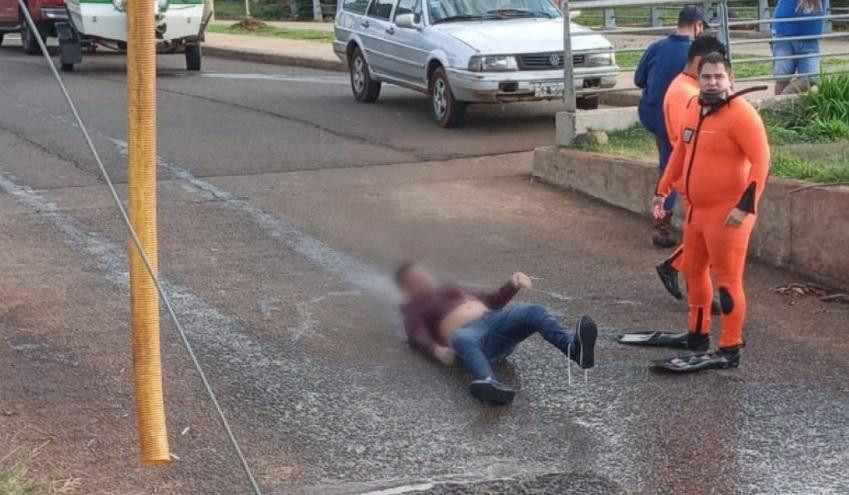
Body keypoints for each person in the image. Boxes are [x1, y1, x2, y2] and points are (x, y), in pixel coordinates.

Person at [621, 52, 770, 372]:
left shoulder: (742, 115)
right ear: (697, 79)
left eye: (719, 77)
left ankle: (729, 347)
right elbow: (679, 154)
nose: (713, 82)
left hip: (728, 214)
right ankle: (697, 334)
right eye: (707, 77)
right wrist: (662, 190)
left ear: (730, 79)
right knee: (693, 271)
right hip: (696, 211)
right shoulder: (693, 109)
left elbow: (761, 162)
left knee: (728, 282)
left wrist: (746, 206)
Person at [396, 262, 597, 404]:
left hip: (494, 321)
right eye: (416, 279)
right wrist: (436, 350)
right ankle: (489, 383)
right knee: (461, 338)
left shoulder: (450, 289)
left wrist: (513, 283)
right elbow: (416, 335)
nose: (423, 278)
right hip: (470, 337)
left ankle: (574, 348)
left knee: (533, 311)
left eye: (422, 273)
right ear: (408, 289)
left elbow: (492, 301)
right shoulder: (414, 308)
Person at [655, 35, 727, 306]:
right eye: (710, 68)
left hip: (695, 175)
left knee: (704, 236)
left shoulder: (686, 88)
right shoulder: (685, 93)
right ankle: (697, 292)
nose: (714, 78)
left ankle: (674, 267)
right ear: (699, 62)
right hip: (693, 178)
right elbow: (687, 141)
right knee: (706, 236)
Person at [634, 5, 709, 248]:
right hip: (677, 121)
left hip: (653, 114)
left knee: (667, 166)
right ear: (698, 26)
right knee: (673, 170)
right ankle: (662, 225)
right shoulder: (697, 54)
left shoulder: (656, 47)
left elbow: (638, 80)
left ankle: (666, 218)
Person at [772, 0, 825, 95]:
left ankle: (783, 97)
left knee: (811, 78)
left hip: (810, 36)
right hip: (784, 33)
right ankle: (778, 107)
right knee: (782, 78)